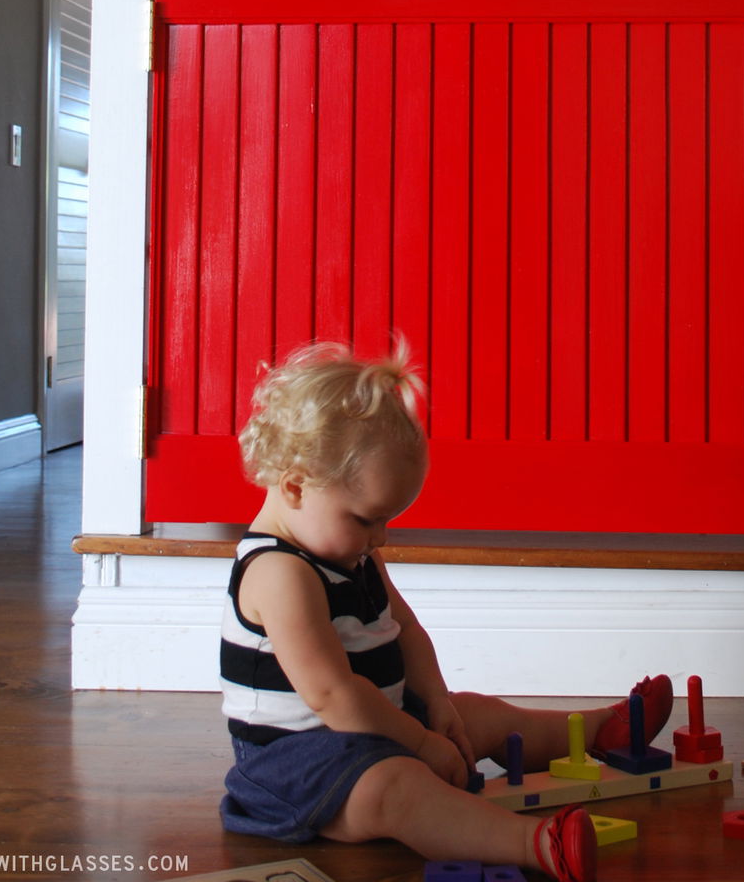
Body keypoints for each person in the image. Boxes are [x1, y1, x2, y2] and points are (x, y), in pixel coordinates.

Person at [219, 340, 674, 881]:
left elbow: (406, 630)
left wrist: (436, 703)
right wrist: (418, 743)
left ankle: (601, 730)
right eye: (366, 519)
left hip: (372, 726)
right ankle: (538, 844)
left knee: (478, 714)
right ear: (296, 486)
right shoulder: (279, 574)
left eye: (386, 521)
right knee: (401, 789)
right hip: (296, 767)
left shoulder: (352, 554)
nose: (380, 537)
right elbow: (332, 695)